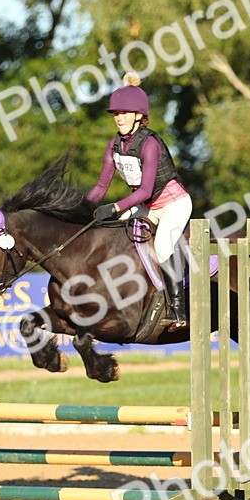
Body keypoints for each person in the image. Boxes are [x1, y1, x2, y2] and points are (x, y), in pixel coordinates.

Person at [86, 72, 193, 330]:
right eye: (116, 113)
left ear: (138, 115)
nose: (119, 118)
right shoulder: (114, 146)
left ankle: (178, 311)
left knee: (163, 247)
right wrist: (83, 208)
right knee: (119, 235)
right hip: (148, 206)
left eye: (124, 113)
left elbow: (145, 190)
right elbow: (101, 186)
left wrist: (114, 207)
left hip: (174, 204)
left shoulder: (150, 144)